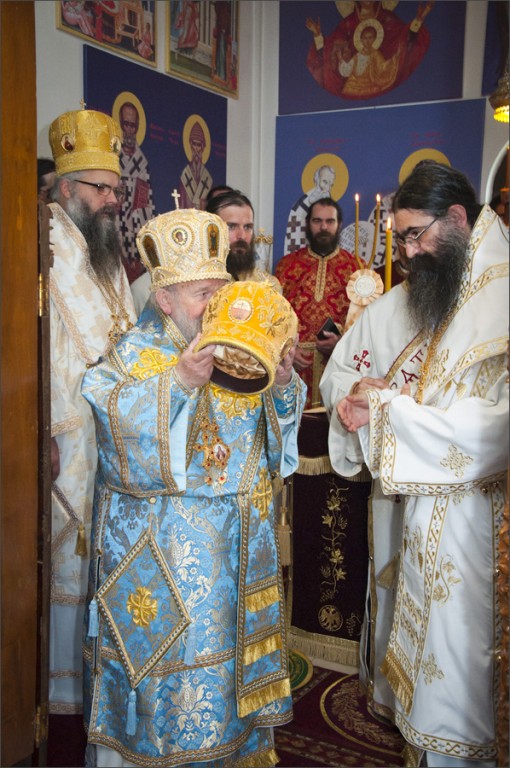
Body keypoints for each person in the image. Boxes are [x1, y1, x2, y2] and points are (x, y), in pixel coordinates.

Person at [81, 207, 306, 767]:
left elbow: (271, 445)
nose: (218, 306)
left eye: (221, 291)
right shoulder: (131, 354)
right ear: (165, 299)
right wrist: (180, 381)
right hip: (171, 564)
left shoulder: (237, 348)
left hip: (237, 560)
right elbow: (112, 423)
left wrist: (282, 384)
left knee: (229, 691)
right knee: (174, 697)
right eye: (203, 294)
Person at [320, 160, 509, 766]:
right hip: (420, 509)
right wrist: (364, 396)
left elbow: (495, 430)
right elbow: (341, 376)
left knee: (466, 674)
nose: (405, 252)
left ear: (457, 218)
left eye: (414, 235)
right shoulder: (419, 295)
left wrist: (388, 413)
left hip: (482, 528)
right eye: (399, 238)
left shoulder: (499, 300)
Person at [47, 108, 136, 719]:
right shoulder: (42, 247)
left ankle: (91, 680)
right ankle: (59, 689)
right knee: (66, 557)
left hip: (112, 430)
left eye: (115, 190)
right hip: (66, 433)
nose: (111, 201)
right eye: (100, 189)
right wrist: (46, 431)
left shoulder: (104, 251)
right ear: (66, 187)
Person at [131, 189, 280, 316]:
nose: (241, 235)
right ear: (210, 231)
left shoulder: (268, 286)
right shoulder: (181, 285)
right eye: (231, 227)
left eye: (248, 227)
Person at [275, 197, 360, 410]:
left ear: (339, 224)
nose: (323, 227)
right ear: (308, 224)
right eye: (317, 221)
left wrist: (340, 345)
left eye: (330, 221)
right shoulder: (287, 266)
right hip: (294, 368)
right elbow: (273, 318)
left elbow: (365, 325)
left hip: (337, 369)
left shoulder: (357, 269)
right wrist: (286, 352)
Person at [306, 1, 433, 100]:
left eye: (370, 38)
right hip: (353, 86)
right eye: (365, 38)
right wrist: (317, 35)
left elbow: (404, 40)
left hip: (380, 84)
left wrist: (418, 20)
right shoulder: (347, 23)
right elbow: (330, 52)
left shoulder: (388, 18)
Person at [117, 100, 155, 283]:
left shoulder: (142, 162)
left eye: (132, 125)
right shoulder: (113, 160)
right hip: (116, 230)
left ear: (137, 127)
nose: (129, 130)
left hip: (136, 229)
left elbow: (145, 206)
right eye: (125, 124)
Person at [284, 164, 336, 255]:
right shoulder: (301, 205)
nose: (327, 188)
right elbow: (294, 234)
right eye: (324, 182)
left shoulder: (330, 203)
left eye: (330, 184)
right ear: (317, 180)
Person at [178, 119, 213, 210]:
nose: (196, 149)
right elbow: (181, 204)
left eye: (199, 145)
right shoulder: (185, 174)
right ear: (190, 145)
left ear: (203, 147)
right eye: (194, 144)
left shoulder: (207, 178)